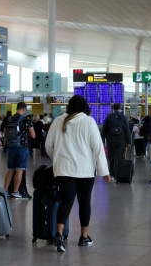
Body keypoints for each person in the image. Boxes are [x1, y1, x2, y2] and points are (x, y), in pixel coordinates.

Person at [45, 95, 110, 252]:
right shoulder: (88, 122)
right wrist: (104, 171)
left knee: (66, 202)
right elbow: (98, 148)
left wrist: (59, 159)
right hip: (85, 171)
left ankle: (58, 234)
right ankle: (83, 237)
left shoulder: (58, 121)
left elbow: (48, 146)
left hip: (63, 170)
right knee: (84, 202)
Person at [3, 102, 35, 199]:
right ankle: (15, 192)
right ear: (24, 110)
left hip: (11, 147)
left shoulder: (9, 119)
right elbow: (33, 135)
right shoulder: (26, 119)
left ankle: (5, 191)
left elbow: (5, 135)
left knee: (10, 170)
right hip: (22, 147)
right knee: (19, 171)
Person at [101, 103, 131, 182]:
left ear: (113, 109)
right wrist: (129, 142)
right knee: (119, 157)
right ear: (120, 109)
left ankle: (111, 174)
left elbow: (104, 130)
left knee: (111, 157)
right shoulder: (123, 117)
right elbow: (127, 130)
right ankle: (117, 175)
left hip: (110, 140)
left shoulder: (109, 117)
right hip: (121, 140)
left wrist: (103, 141)